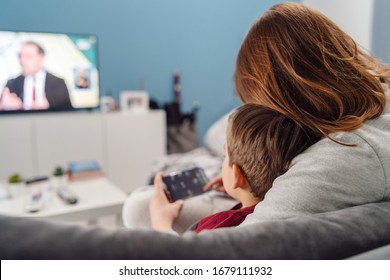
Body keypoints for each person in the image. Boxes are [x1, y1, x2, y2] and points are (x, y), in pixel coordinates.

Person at [122, 2, 390, 230]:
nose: (253, 112)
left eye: (254, 104)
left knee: (139, 207)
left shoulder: (340, 160)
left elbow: (231, 258)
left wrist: (161, 228)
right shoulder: (374, 100)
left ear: (286, 98)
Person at [149, 104, 320, 233]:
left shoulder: (214, 230)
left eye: (225, 157)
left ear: (237, 175)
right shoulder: (280, 212)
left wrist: (161, 223)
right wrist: (242, 186)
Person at [0, 41, 73, 111]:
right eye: (20, 56)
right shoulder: (11, 84)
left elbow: (70, 116)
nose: (22, 61)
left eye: (28, 56)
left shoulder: (58, 83)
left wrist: (49, 110)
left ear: (41, 57)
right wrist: (2, 107)